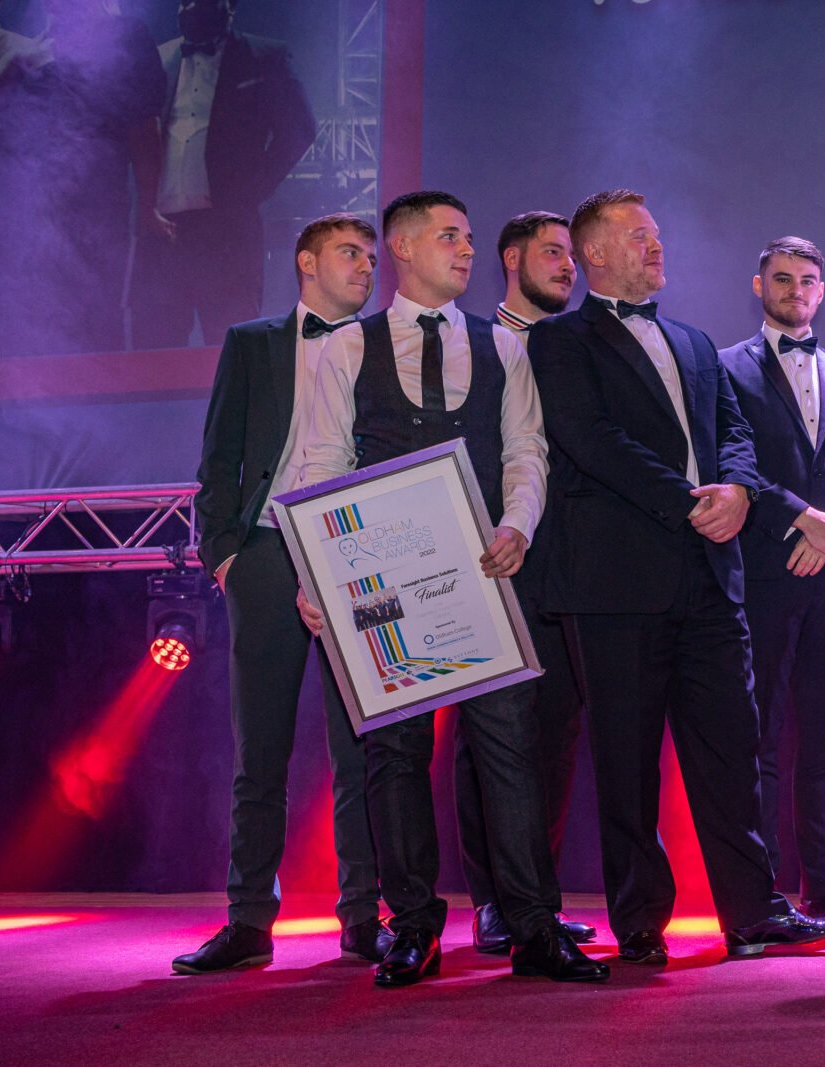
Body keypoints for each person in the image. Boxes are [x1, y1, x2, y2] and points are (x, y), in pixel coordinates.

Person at [528, 189, 825, 964]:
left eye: (656, 234)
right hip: (615, 583)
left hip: (711, 578)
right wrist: (691, 502)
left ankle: (753, 912)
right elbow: (588, 439)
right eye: (639, 236)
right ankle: (641, 920)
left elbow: (732, 431)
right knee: (627, 761)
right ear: (594, 253)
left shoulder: (694, 341)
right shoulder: (560, 341)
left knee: (732, 754)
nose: (657, 246)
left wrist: (737, 489)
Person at [296, 190, 606, 986]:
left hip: (485, 572)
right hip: (383, 582)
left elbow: (525, 451)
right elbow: (321, 464)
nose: (467, 250)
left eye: (468, 238)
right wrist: (317, 576)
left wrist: (518, 526)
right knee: (395, 751)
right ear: (402, 247)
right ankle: (413, 926)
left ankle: (533, 925)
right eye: (449, 237)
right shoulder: (347, 347)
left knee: (510, 746)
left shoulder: (502, 346)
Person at [174, 213, 388, 975]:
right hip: (264, 548)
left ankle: (363, 915)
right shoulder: (253, 342)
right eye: (349, 252)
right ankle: (247, 920)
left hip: (354, 548)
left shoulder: (382, 345)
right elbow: (219, 457)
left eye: (371, 256)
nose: (365, 266)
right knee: (259, 747)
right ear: (306, 261)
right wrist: (225, 554)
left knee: (361, 743)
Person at [718, 236, 825, 928]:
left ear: (822, 289)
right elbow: (732, 464)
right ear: (760, 286)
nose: (795, 289)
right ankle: (762, 896)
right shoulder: (725, 367)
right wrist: (802, 520)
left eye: (807, 279)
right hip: (766, 571)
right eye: (782, 278)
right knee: (757, 740)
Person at [460, 209, 594, 953]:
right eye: (552, 252)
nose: (568, 265)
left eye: (572, 254)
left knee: (555, 734)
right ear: (511, 259)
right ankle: (491, 901)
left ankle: (537, 900)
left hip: (568, 567)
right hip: (496, 557)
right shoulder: (475, 343)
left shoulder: (582, 344)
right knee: (485, 735)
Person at [131, 0, 315, 348]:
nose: (188, 7)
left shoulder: (264, 57)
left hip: (226, 233)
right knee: (154, 350)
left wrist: (252, 190)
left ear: (228, 5)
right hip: (163, 233)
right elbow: (139, 134)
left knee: (232, 347)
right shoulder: (160, 58)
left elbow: (299, 129)